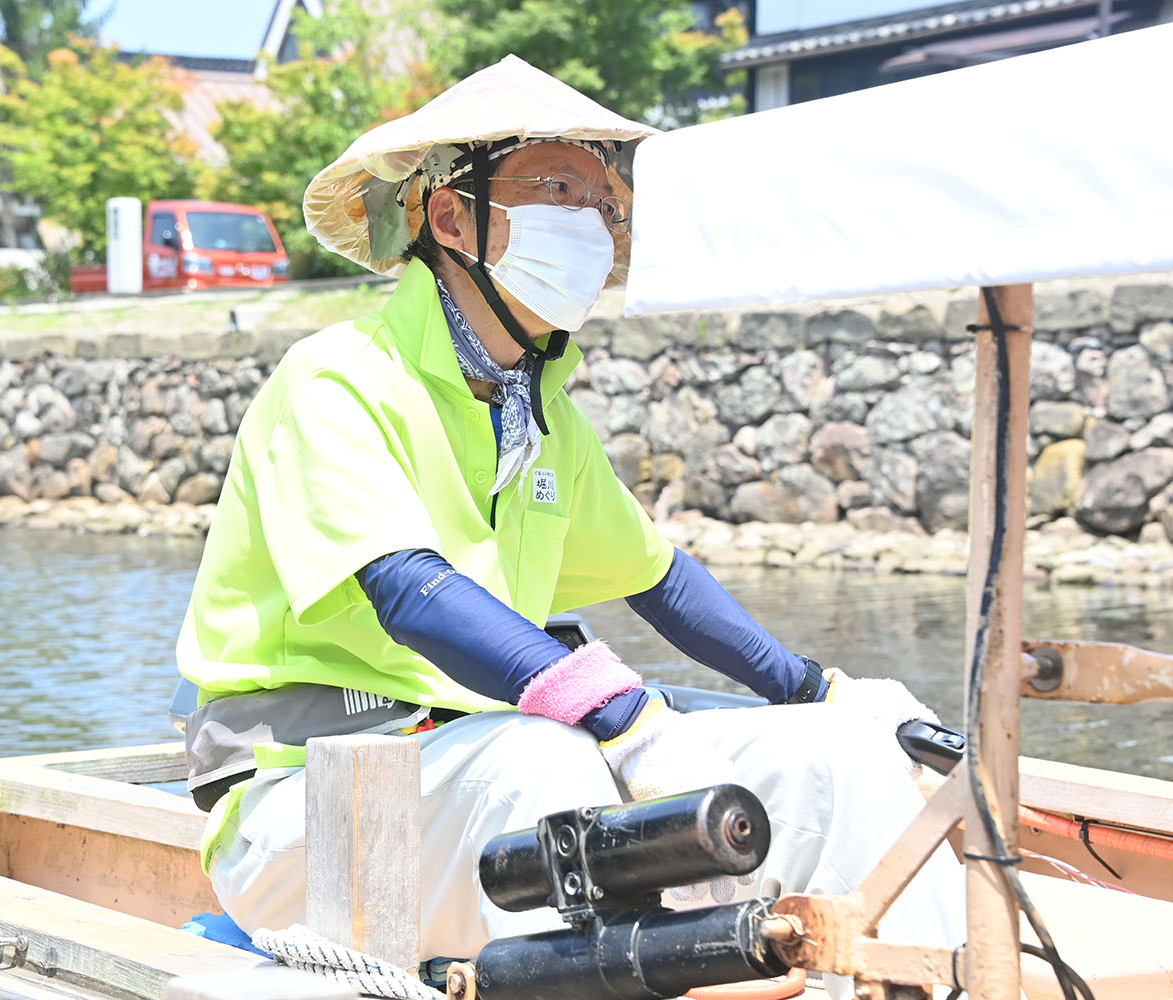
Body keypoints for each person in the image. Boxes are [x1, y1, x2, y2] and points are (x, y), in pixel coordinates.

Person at [175, 55, 963, 995]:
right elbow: (408, 589)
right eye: (557, 187)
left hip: (487, 755)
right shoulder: (336, 379)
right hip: (309, 802)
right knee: (560, 761)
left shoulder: (541, 413)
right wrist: (624, 713)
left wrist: (819, 688)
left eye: (603, 202)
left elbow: (659, 581)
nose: (590, 219)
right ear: (451, 216)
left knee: (836, 759)